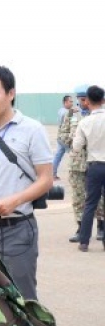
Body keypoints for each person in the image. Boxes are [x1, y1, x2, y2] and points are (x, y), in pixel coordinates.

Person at [0, 65, 53, 301]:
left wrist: (17, 199)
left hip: (17, 230)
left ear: (11, 94)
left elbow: (45, 178)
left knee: (22, 298)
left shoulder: (32, 130)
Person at [59, 84, 105, 242]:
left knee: (100, 199)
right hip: (78, 164)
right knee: (79, 198)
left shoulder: (96, 117)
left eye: (85, 99)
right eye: (80, 99)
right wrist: (71, 141)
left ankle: (101, 226)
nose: (83, 102)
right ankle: (81, 229)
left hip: (96, 162)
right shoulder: (72, 115)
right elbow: (62, 134)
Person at [72, 85, 105, 251]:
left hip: (94, 166)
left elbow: (76, 147)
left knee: (90, 203)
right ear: (103, 100)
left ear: (88, 102)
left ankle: (84, 242)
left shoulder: (84, 123)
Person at [53, 94, 73, 179]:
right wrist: (72, 111)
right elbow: (66, 115)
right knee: (75, 155)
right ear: (65, 102)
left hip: (61, 137)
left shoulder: (61, 110)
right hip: (65, 137)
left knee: (58, 155)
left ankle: (52, 174)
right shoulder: (64, 111)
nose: (72, 103)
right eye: (70, 101)